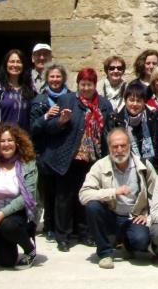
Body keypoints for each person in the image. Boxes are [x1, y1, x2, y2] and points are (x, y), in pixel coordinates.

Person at [37, 67, 113, 252]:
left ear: (95, 85)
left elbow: (108, 130)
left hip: (92, 159)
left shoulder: (103, 104)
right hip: (69, 156)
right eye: (82, 84)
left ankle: (85, 233)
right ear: (77, 84)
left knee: (86, 197)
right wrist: (61, 121)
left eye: (90, 85)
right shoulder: (67, 100)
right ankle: (62, 236)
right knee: (64, 198)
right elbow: (49, 127)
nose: (86, 88)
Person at [79, 128, 158, 269]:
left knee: (141, 242)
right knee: (93, 206)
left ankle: (126, 242)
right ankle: (105, 254)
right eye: (115, 146)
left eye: (123, 145)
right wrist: (114, 192)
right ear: (109, 148)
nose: (119, 150)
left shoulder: (144, 165)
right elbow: (83, 194)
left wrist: (149, 216)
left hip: (134, 216)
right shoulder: (100, 165)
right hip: (111, 215)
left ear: (129, 146)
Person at [0, 124, 39, 268]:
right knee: (5, 262)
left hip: (17, 213)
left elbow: (28, 196)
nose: (6, 144)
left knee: (8, 225)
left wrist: (1, 214)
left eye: (10, 140)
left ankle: (30, 250)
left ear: (17, 142)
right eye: (2, 141)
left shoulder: (28, 164)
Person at [29, 63, 69, 242]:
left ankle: (65, 227)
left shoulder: (70, 98)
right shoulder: (39, 100)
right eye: (52, 77)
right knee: (49, 193)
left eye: (58, 76)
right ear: (47, 79)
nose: (55, 80)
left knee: (64, 192)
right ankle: (50, 226)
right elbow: (33, 128)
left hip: (64, 151)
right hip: (45, 152)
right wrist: (46, 116)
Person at [107, 80, 158, 172]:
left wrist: (155, 161)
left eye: (139, 101)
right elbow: (109, 145)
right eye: (131, 100)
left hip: (149, 166)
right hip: (123, 166)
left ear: (144, 102)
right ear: (125, 100)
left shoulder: (152, 115)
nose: (135, 104)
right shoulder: (115, 119)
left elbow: (157, 140)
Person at [0, 49, 35, 134]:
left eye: (18, 62)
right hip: (1, 141)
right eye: (12, 61)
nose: (15, 65)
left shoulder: (30, 89)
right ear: (6, 64)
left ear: (23, 65)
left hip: (23, 141)